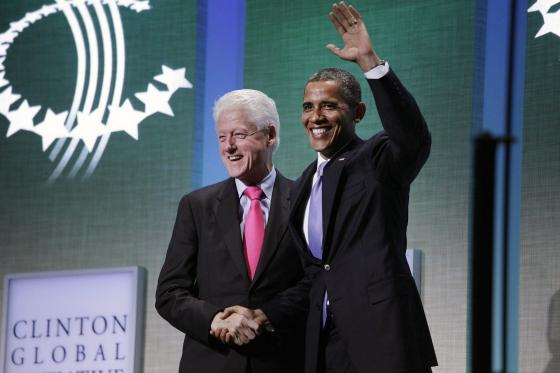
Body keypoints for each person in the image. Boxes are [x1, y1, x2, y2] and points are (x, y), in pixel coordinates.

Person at [288, 2, 437, 373]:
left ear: (357, 113)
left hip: (382, 340)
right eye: (308, 106)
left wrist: (370, 62)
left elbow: (413, 137)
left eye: (329, 106)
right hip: (323, 348)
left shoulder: (378, 159)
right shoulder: (304, 182)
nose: (315, 117)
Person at [156, 89, 308, 373]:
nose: (228, 147)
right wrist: (216, 320)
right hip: (212, 361)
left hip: (283, 361)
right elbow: (169, 293)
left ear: (270, 135)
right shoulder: (196, 206)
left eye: (238, 135)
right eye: (222, 138)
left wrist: (266, 315)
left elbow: (317, 280)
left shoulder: (305, 199)